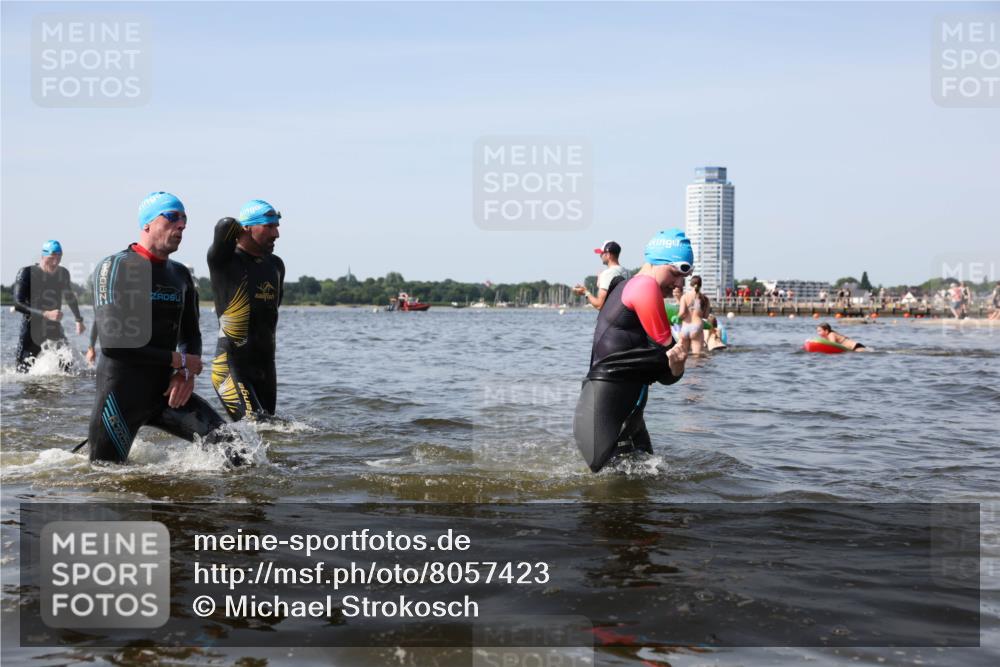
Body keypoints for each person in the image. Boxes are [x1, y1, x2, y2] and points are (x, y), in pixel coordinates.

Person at [86, 192, 240, 464]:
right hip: (120, 399)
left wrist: (183, 373)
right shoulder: (115, 267)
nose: (181, 225)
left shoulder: (180, 275)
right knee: (107, 483)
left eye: (184, 219)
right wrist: (179, 360)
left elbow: (191, 335)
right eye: (171, 217)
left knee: (234, 450)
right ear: (146, 223)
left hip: (167, 394)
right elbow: (112, 343)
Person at [573, 228, 692, 473]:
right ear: (659, 261)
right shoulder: (644, 287)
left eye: (686, 276)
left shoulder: (630, 286)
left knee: (643, 489)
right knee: (611, 495)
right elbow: (667, 365)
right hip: (608, 407)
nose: (679, 283)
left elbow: (664, 366)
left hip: (623, 406)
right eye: (676, 273)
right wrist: (678, 365)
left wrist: (674, 365)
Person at [207, 199, 285, 421]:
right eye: (269, 226)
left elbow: (269, 314)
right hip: (231, 366)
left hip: (266, 367)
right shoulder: (224, 261)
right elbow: (224, 225)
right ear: (247, 228)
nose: (276, 234)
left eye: (277, 226)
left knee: (270, 435)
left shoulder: (276, 266)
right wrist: (240, 225)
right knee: (255, 427)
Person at [12, 240, 86, 372]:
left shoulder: (63, 274)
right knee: (22, 372)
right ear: (42, 257)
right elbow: (18, 304)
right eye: (51, 258)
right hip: (31, 329)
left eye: (58, 258)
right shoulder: (27, 273)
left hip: (53, 327)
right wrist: (46, 314)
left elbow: (69, 297)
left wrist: (78, 320)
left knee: (67, 364)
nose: (55, 262)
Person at [573, 240, 629, 310]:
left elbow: (599, 305)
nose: (600, 255)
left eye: (602, 253)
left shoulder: (607, 273)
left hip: (611, 318)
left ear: (608, 255)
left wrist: (585, 292)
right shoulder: (626, 272)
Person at [678, 275, 710, 355]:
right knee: (697, 356)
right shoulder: (705, 298)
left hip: (685, 327)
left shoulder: (684, 297)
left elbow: (682, 313)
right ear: (700, 285)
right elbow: (706, 316)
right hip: (697, 326)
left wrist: (677, 318)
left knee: (683, 356)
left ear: (690, 284)